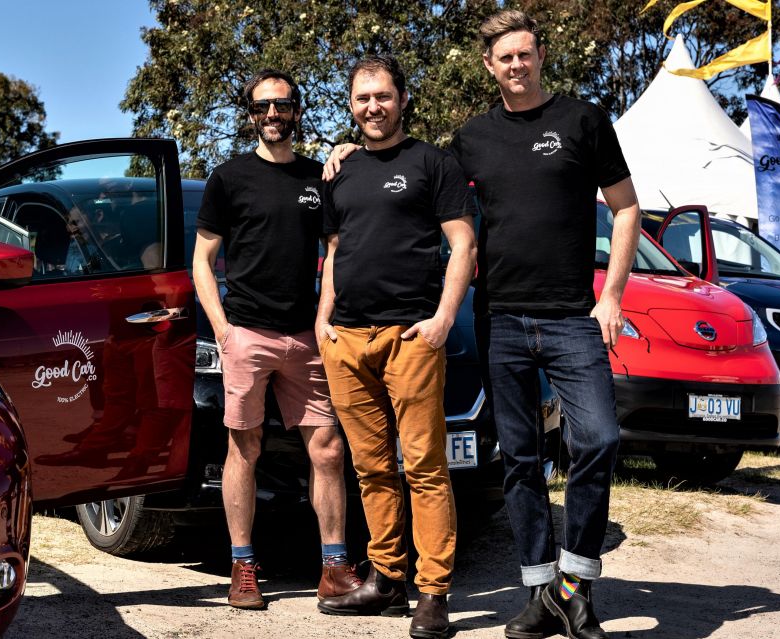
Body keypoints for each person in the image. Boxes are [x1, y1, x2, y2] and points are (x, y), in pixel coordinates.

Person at [324, 11, 641, 639]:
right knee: (519, 459)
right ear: (489, 66)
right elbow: (403, 195)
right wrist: (344, 152)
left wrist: (613, 297)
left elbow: (626, 207)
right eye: (504, 58)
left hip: (574, 318)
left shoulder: (582, 120)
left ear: (540, 55)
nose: (516, 66)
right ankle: (538, 592)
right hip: (500, 318)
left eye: (524, 54)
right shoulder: (468, 140)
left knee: (598, 440)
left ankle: (576, 585)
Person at [314, 55, 476, 639]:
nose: (372, 107)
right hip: (346, 339)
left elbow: (463, 245)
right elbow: (335, 249)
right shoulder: (340, 171)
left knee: (426, 469)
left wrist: (442, 319)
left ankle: (434, 593)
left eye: (383, 96)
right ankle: (385, 578)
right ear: (351, 104)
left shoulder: (433, 162)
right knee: (372, 468)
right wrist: (322, 320)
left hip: (410, 337)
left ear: (403, 99)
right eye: (362, 98)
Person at [192, 69, 359, 610]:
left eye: (281, 105)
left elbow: (334, 251)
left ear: (295, 111)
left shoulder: (318, 178)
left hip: (306, 337)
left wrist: (324, 317)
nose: (271, 115)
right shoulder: (228, 178)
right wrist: (222, 329)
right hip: (247, 335)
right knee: (245, 448)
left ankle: (334, 568)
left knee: (328, 449)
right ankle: (243, 566)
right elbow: (202, 261)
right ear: (249, 114)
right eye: (261, 106)